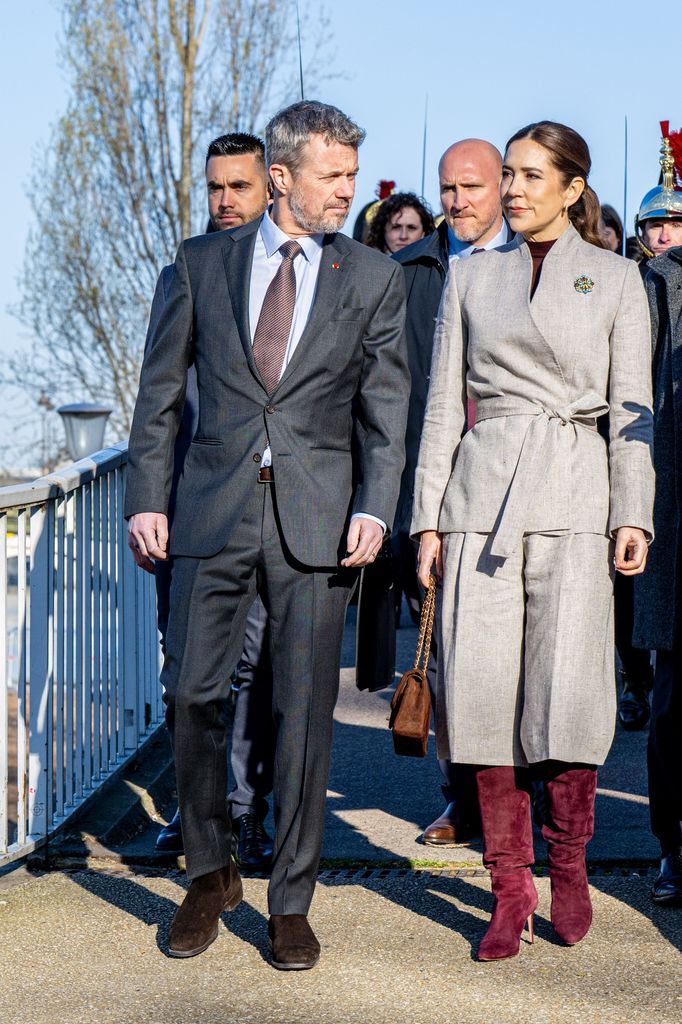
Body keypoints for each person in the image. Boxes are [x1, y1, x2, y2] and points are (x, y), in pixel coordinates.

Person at [125, 99, 409, 969]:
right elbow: (159, 392)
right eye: (333, 175)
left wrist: (375, 505)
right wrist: (147, 494)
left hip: (318, 521)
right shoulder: (201, 263)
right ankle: (210, 872)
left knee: (303, 718)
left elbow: (388, 408)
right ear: (283, 178)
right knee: (192, 699)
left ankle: (291, 900)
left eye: (353, 176)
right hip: (209, 512)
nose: (346, 191)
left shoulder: (371, 276)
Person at [413, 120, 654, 961]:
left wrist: (635, 512)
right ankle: (510, 887)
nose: (511, 189)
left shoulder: (621, 279)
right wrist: (428, 520)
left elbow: (634, 411)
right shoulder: (471, 279)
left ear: (571, 187)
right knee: (481, 694)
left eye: (528, 175)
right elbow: (444, 406)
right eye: (506, 175)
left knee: (570, 693)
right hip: (482, 494)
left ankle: (571, 866)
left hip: (577, 488)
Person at [150, 133, 276, 870]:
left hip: (273, 507)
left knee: (254, 666)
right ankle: (196, 808)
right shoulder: (185, 273)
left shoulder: (302, 271)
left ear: (272, 187)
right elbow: (159, 397)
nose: (224, 201)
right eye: (215, 188)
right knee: (189, 672)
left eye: (239, 186)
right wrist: (150, 502)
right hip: (191, 508)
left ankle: (243, 812)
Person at [391, 139, 514, 848]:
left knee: (519, 661)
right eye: (447, 188)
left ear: (501, 186)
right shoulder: (410, 272)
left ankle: (520, 805)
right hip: (435, 494)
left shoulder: (537, 263)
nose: (458, 200)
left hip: (516, 488)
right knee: (444, 656)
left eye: (472, 186)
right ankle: (462, 802)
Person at [631, 141, 682, 906]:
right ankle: (673, 844)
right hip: (671, 513)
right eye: (659, 225)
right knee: (673, 704)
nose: (667, 234)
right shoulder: (646, 289)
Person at [365, 192, 435, 254]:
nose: (403, 236)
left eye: (411, 228)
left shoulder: (437, 267)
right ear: (383, 230)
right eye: (396, 227)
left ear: (423, 232)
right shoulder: (365, 266)